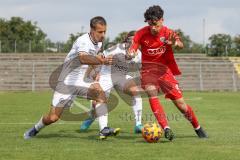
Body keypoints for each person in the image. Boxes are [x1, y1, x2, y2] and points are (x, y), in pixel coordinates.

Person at [24, 16, 120, 140]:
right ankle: (35, 129)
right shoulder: (83, 41)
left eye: (104, 32)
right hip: (66, 82)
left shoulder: (99, 43)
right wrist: (101, 61)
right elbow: (83, 58)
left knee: (101, 94)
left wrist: (96, 71)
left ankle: (103, 130)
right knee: (53, 118)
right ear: (92, 30)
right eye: (100, 32)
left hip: (80, 80)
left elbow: (95, 58)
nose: (103, 35)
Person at [128, 5, 208, 141]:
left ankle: (197, 127)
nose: (153, 27)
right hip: (148, 71)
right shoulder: (141, 33)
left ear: (162, 20)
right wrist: (131, 53)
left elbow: (180, 43)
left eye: (156, 24)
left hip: (165, 72)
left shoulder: (168, 33)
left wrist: (175, 43)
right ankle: (166, 128)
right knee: (151, 91)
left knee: (181, 105)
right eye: (150, 24)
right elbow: (133, 47)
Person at [80, 31, 144, 133]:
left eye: (135, 41)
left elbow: (139, 68)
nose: (132, 43)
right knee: (98, 101)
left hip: (121, 76)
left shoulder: (139, 54)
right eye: (129, 40)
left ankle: (138, 124)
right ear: (126, 40)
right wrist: (94, 74)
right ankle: (92, 118)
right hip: (107, 75)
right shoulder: (117, 48)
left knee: (135, 91)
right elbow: (99, 58)